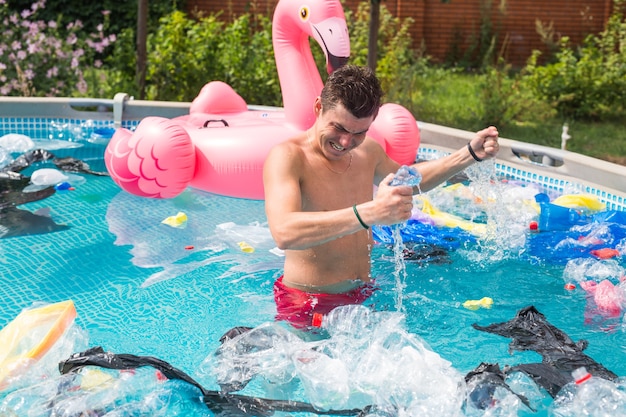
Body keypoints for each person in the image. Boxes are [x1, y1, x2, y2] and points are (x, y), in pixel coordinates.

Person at [263, 64, 499, 328]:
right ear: (319, 107)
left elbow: (410, 179)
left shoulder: (368, 152)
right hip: (308, 302)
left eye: (358, 133)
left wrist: (467, 155)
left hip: (363, 294)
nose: (345, 142)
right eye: (338, 128)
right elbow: (284, 232)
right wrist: (371, 213)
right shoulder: (289, 157)